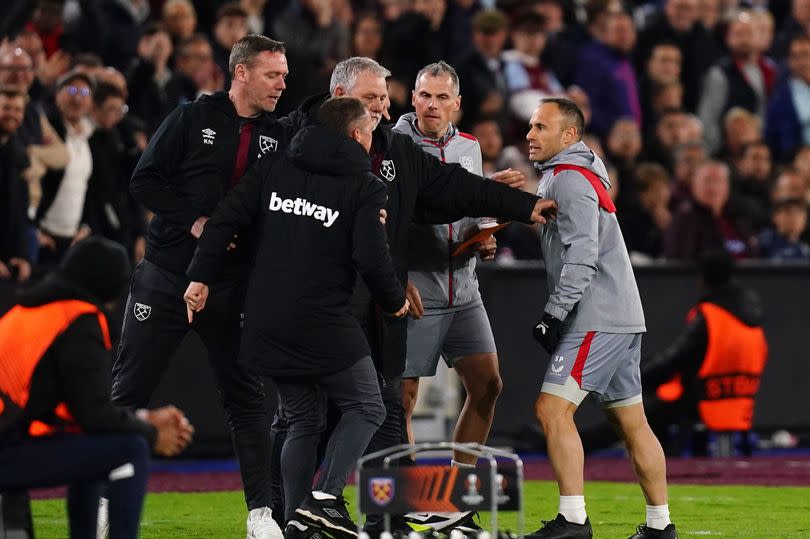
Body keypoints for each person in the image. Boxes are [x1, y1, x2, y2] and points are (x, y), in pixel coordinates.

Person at [270, 56, 557, 536]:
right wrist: (392, 277)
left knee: (486, 385)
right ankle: (369, 511)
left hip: (462, 288)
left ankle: (452, 501)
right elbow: (393, 215)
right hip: (408, 290)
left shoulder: (467, 147)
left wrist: (488, 227)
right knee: (384, 404)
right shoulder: (387, 143)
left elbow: (457, 201)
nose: (430, 104)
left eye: (442, 97)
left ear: (457, 103)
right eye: (423, 94)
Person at [185, 96, 408, 538]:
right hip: (323, 319)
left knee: (303, 418)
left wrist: (199, 276)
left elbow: (226, 217)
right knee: (368, 404)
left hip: (267, 318)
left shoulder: (276, 166)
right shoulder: (365, 185)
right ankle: (324, 499)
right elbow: (370, 256)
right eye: (368, 131)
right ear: (354, 135)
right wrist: (394, 299)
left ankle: (295, 525)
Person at [110, 34, 290, 539]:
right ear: (241, 73)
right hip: (166, 276)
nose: (282, 84)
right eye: (273, 74)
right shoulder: (191, 118)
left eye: (284, 75)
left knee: (248, 400)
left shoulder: (280, 133)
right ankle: (106, 500)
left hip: (233, 286)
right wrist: (193, 222)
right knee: (128, 393)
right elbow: (143, 181)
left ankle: (262, 515)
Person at [526, 97, 677, 539]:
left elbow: (583, 253)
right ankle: (659, 526)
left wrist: (555, 314)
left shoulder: (568, 178)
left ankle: (573, 518)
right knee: (633, 423)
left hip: (595, 316)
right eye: (531, 125)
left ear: (568, 136)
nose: (530, 135)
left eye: (540, 127)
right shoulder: (581, 174)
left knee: (551, 409)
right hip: (623, 315)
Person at [0, 237, 194, 539]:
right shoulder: (78, 319)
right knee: (130, 449)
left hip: (11, 439)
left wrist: (141, 419)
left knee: (94, 446)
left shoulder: (29, 310)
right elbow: (95, 416)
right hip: (8, 449)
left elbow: (78, 409)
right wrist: (151, 433)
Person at [643, 250, 768, 456]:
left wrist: (643, 377)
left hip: (704, 397)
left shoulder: (710, 315)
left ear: (703, 278)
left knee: (646, 408)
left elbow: (677, 358)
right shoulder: (752, 315)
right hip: (741, 395)